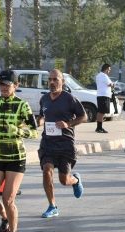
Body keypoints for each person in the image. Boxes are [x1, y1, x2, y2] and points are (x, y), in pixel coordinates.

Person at [0, 70, 38, 232]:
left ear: (16, 85)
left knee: (8, 199)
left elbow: (35, 132)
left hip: (16, 157)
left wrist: (18, 131)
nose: (4, 88)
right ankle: (5, 217)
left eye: (7, 85)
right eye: (1, 85)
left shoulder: (23, 105)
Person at [37, 69, 86, 218]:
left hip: (65, 144)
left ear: (62, 82)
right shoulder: (44, 99)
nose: (52, 82)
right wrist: (38, 122)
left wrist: (68, 124)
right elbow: (42, 116)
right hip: (48, 143)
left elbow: (83, 117)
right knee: (47, 171)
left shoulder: (69, 98)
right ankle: (52, 206)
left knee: (64, 180)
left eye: (55, 79)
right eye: (50, 79)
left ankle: (75, 180)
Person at [95, 64, 114, 133]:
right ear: (106, 69)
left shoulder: (98, 75)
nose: (109, 71)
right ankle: (99, 128)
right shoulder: (104, 76)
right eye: (109, 70)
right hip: (104, 96)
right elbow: (110, 84)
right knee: (101, 112)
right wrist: (113, 84)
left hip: (101, 95)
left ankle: (99, 127)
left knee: (100, 112)